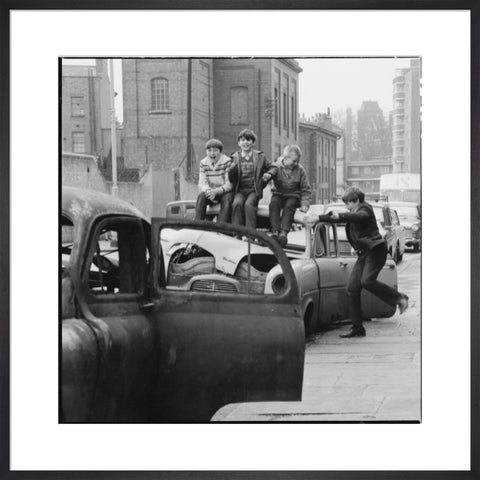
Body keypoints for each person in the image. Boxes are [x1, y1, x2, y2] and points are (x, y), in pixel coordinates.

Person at [318, 186, 409, 338]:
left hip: (376, 252)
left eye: (349, 204)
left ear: (357, 201)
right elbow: (346, 222)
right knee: (352, 288)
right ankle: (358, 328)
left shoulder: (365, 209)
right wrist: (319, 218)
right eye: (346, 204)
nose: (348, 207)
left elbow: (360, 217)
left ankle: (400, 298)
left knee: (367, 281)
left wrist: (342, 215)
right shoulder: (355, 212)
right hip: (364, 254)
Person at [228, 129, 276, 230]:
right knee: (237, 204)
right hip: (240, 190)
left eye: (249, 140)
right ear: (239, 143)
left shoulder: (260, 157)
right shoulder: (234, 158)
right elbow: (231, 179)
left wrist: (268, 173)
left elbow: (273, 167)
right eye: (243, 140)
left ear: (253, 142)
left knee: (249, 205)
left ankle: (251, 235)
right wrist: (231, 170)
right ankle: (237, 233)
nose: (246, 142)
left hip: (254, 190)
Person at [265, 145, 312, 247]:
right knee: (273, 204)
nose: (296, 163)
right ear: (285, 158)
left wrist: (304, 204)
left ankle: (284, 233)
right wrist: (267, 176)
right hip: (278, 194)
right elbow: (271, 173)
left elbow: (306, 189)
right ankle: (275, 232)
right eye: (294, 161)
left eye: (298, 161)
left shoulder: (300, 170)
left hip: (293, 195)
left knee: (289, 206)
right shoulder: (276, 167)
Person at [195, 138, 234, 222]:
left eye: (215, 150)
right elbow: (202, 183)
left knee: (227, 200)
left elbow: (229, 184)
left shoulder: (227, 161)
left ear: (220, 151)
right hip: (211, 192)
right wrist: (208, 191)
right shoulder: (203, 163)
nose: (212, 153)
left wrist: (216, 191)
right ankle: (197, 224)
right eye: (209, 150)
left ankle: (221, 227)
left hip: (224, 192)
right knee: (201, 196)